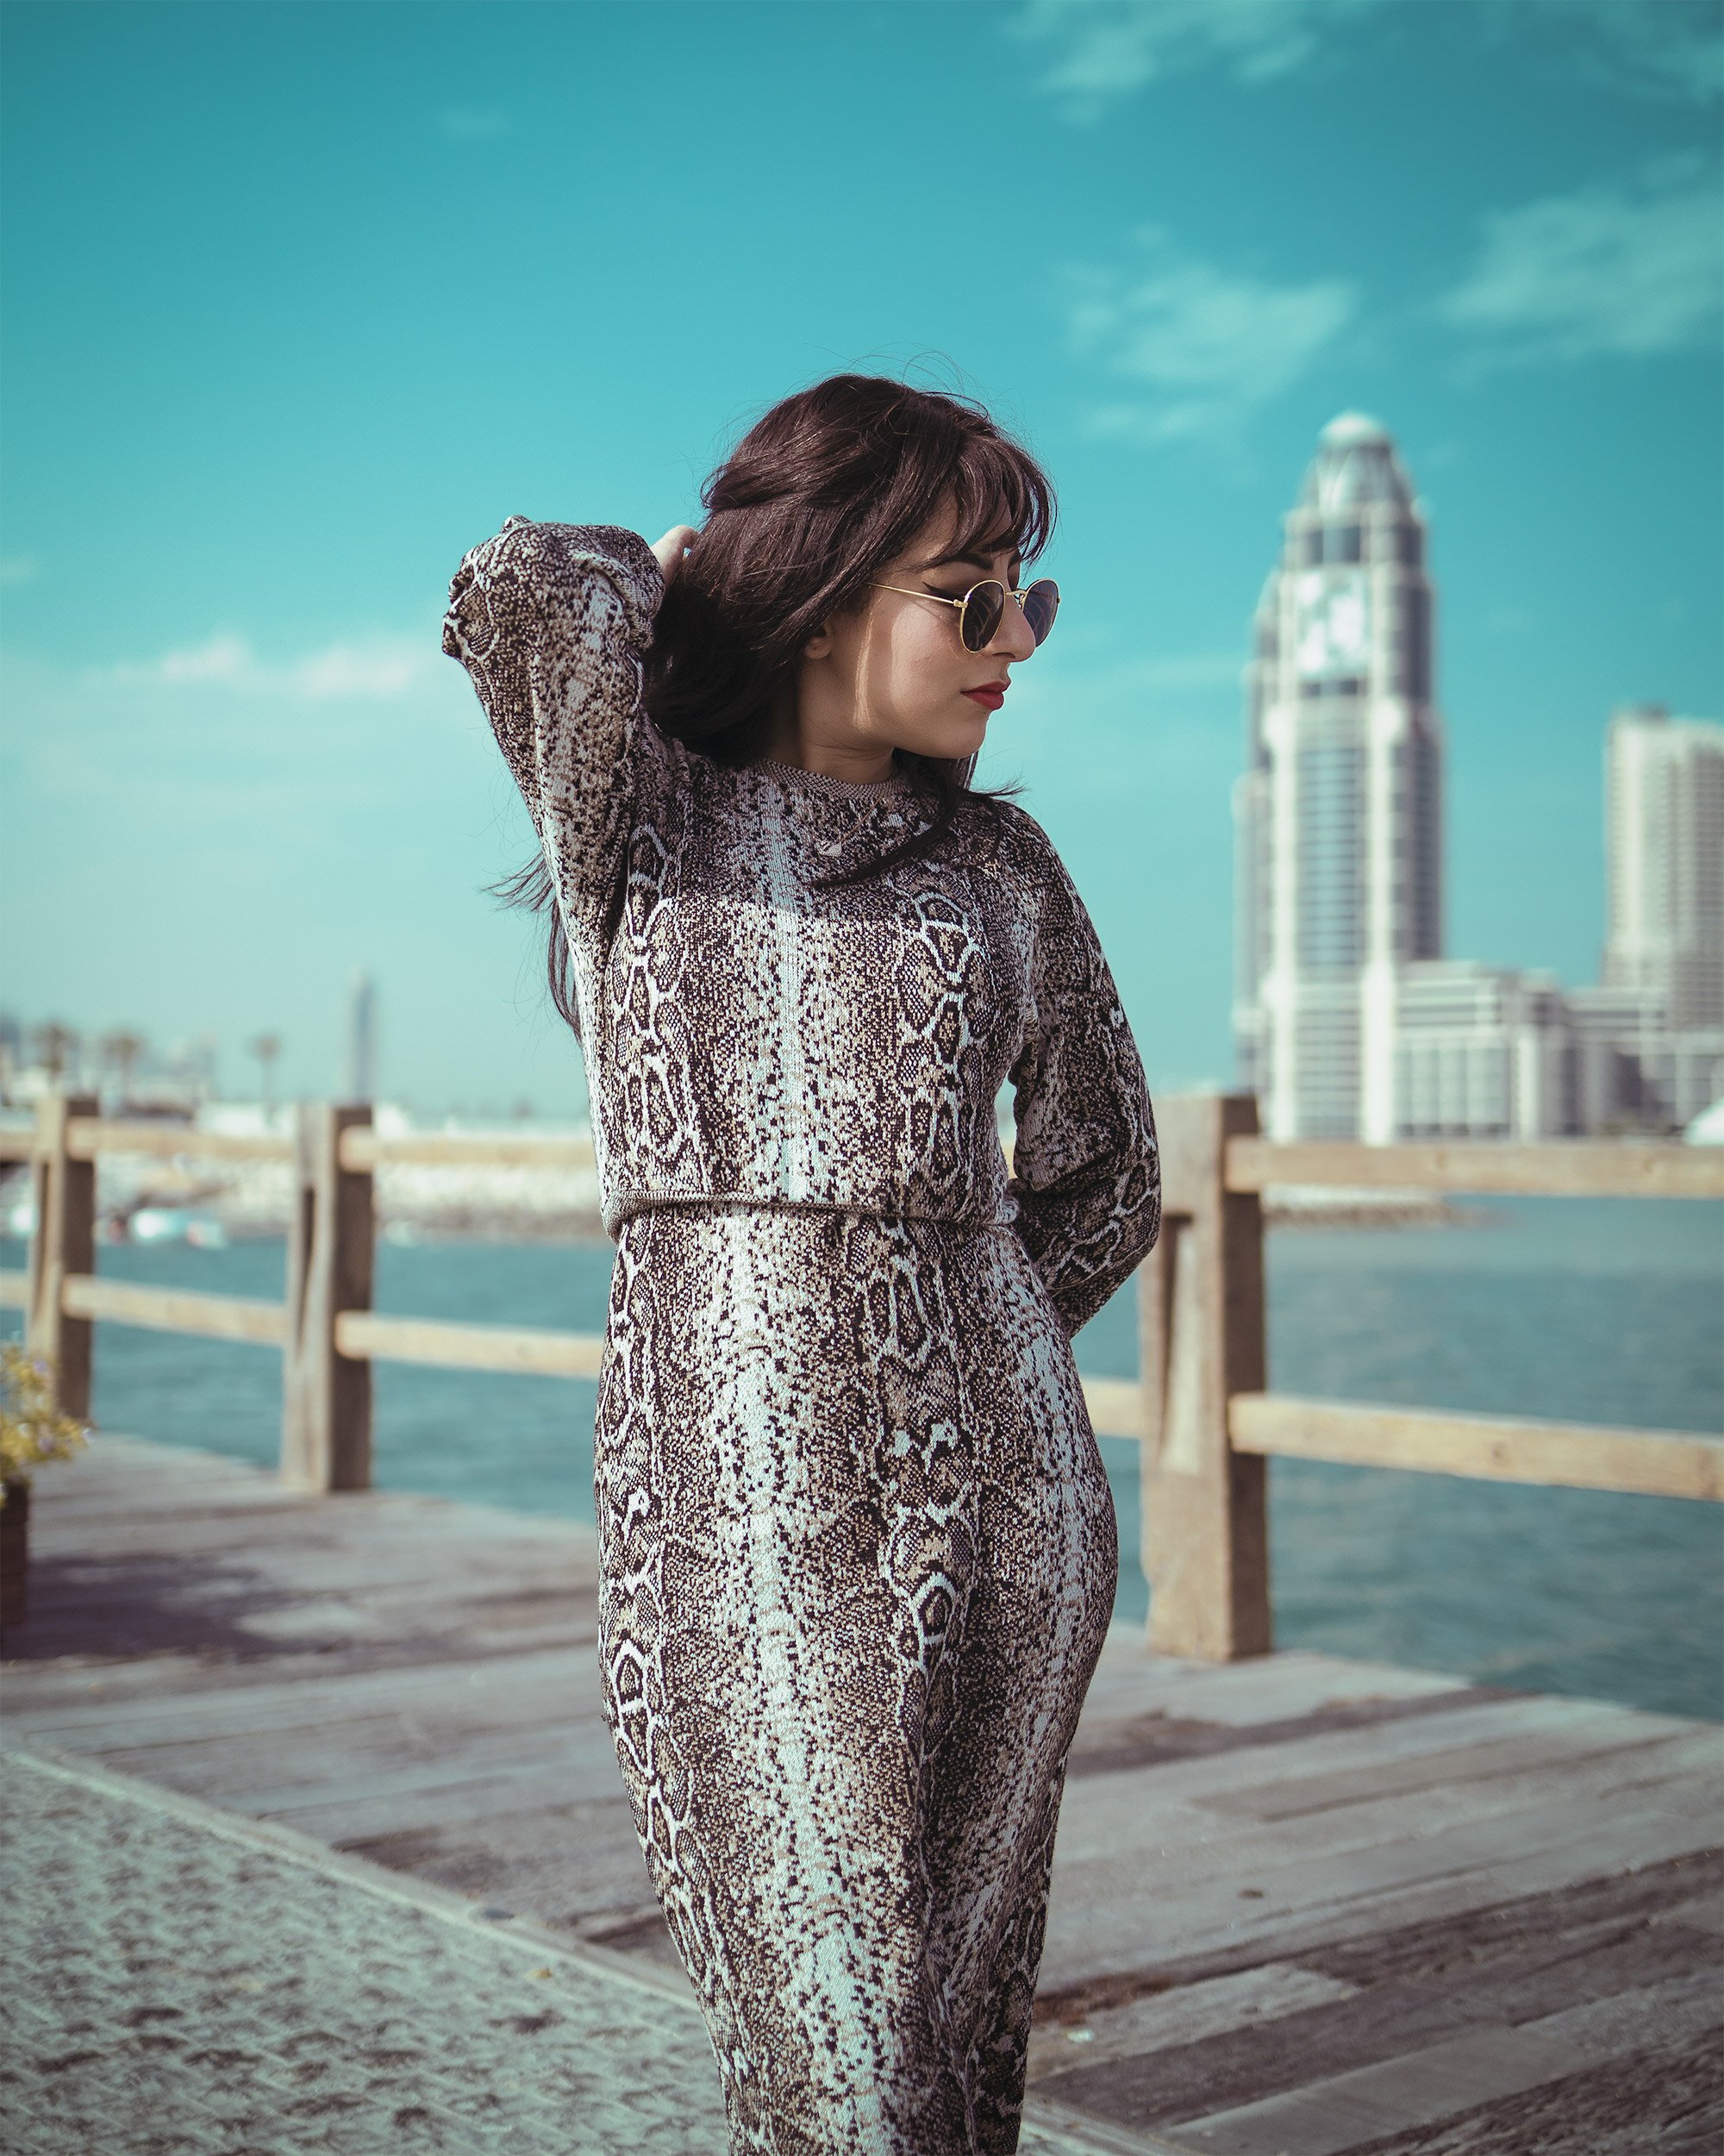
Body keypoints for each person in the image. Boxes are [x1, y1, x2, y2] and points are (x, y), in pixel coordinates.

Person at [442, 375, 1160, 2155]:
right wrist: (684, 574)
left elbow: (1109, 1172)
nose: (1016, 643)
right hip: (732, 1524)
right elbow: (514, 587)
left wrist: (966, 1341)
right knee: (838, 2064)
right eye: (969, 598)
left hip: (1016, 1525)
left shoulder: (1002, 866)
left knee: (950, 2049)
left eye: (1030, 599)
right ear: (823, 594)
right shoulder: (639, 821)